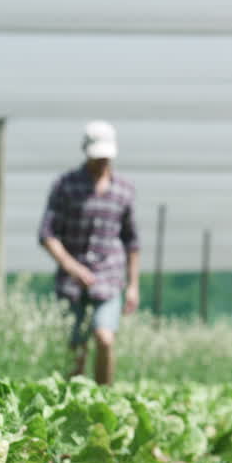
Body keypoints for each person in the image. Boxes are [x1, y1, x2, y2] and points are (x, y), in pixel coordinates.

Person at [38, 120, 141, 385]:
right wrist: (72, 267)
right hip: (73, 280)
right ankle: (76, 398)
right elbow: (47, 234)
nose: (102, 162)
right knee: (77, 348)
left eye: (106, 157)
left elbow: (131, 242)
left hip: (109, 276)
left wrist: (133, 286)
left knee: (105, 338)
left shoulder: (124, 191)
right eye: (97, 157)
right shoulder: (65, 186)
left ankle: (104, 397)